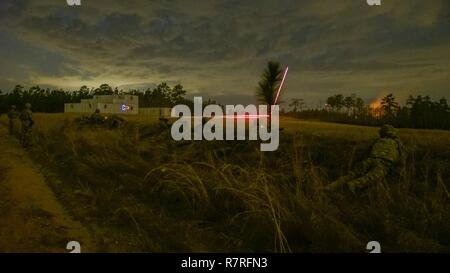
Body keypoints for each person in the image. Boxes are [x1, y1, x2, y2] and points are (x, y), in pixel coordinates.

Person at [325, 125, 406, 194]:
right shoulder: (398, 142)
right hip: (383, 163)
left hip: (370, 159)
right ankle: (353, 185)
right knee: (371, 178)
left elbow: (367, 151)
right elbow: (402, 157)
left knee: (352, 174)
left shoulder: (378, 140)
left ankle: (331, 187)